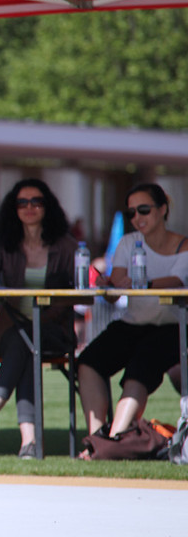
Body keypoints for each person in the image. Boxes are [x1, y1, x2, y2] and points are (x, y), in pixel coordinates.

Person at [0, 178, 79, 459]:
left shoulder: (66, 245)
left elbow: (81, 288)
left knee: (27, 342)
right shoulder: (3, 242)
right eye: (22, 202)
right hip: (12, 330)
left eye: (36, 201)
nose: (29, 207)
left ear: (47, 206)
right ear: (14, 208)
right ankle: (28, 444)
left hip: (54, 330)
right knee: (25, 344)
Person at [77, 183, 188, 452]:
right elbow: (117, 288)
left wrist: (142, 284)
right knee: (88, 362)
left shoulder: (183, 245)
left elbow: (176, 281)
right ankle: (98, 439)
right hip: (134, 323)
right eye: (131, 213)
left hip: (174, 326)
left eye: (144, 210)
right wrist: (108, 286)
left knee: (138, 371)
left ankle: (113, 442)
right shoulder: (128, 243)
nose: (137, 217)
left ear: (163, 209)